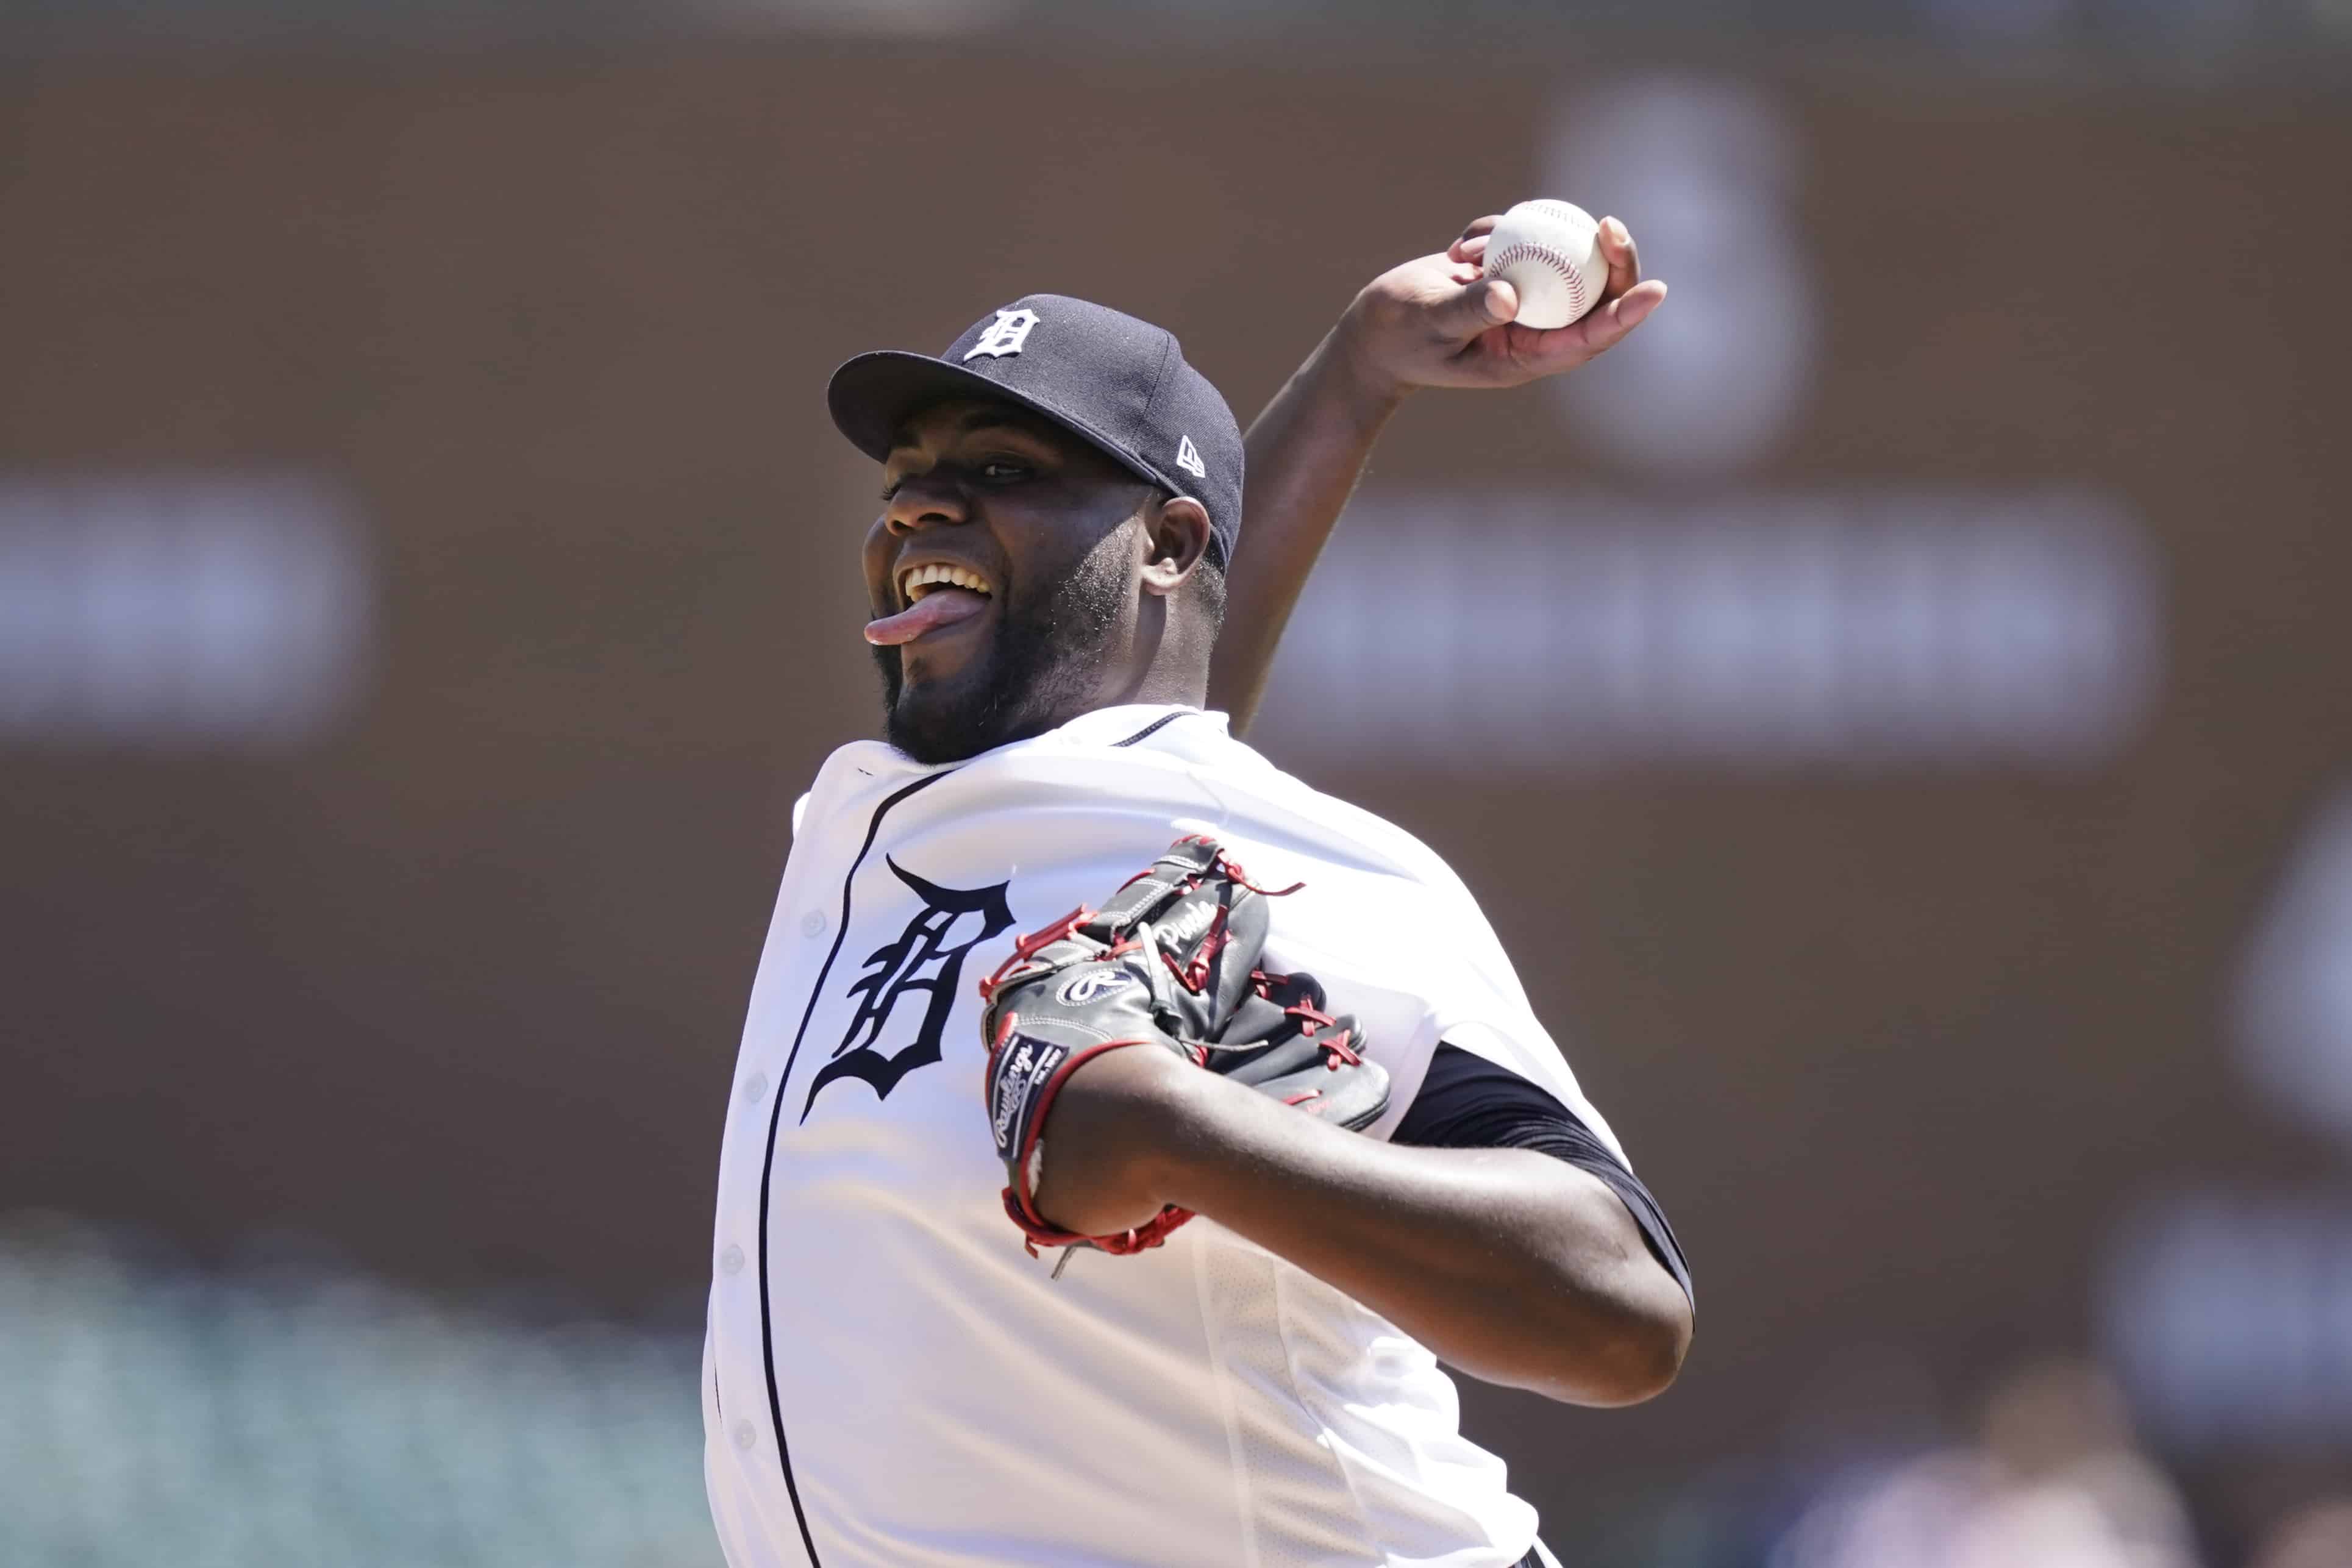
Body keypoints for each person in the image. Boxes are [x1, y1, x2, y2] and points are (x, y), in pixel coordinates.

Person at [702, 213, 1689, 1568]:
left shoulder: (1276, 866)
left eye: (998, 467)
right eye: (907, 477)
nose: (919, 504)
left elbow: (1622, 1306)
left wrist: (1186, 1130)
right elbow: (1151, 698)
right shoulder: (985, 816)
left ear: (1169, 542)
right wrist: (1353, 379)